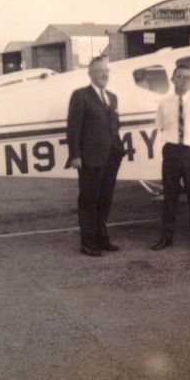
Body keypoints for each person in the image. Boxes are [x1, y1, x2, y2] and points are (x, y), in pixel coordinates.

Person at [66, 56, 125, 257]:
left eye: (106, 71)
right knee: (89, 200)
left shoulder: (113, 97)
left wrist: (118, 148)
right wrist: (75, 155)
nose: (104, 74)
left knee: (105, 199)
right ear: (90, 74)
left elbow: (115, 125)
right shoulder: (80, 96)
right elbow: (73, 129)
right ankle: (88, 243)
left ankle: (102, 238)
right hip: (90, 158)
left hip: (111, 158)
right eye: (99, 71)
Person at [152, 65, 190, 251]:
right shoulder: (164, 102)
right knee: (170, 195)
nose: (184, 81)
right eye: (180, 77)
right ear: (173, 79)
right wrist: (176, 141)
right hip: (171, 152)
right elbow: (161, 126)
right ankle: (166, 237)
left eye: (188, 78)